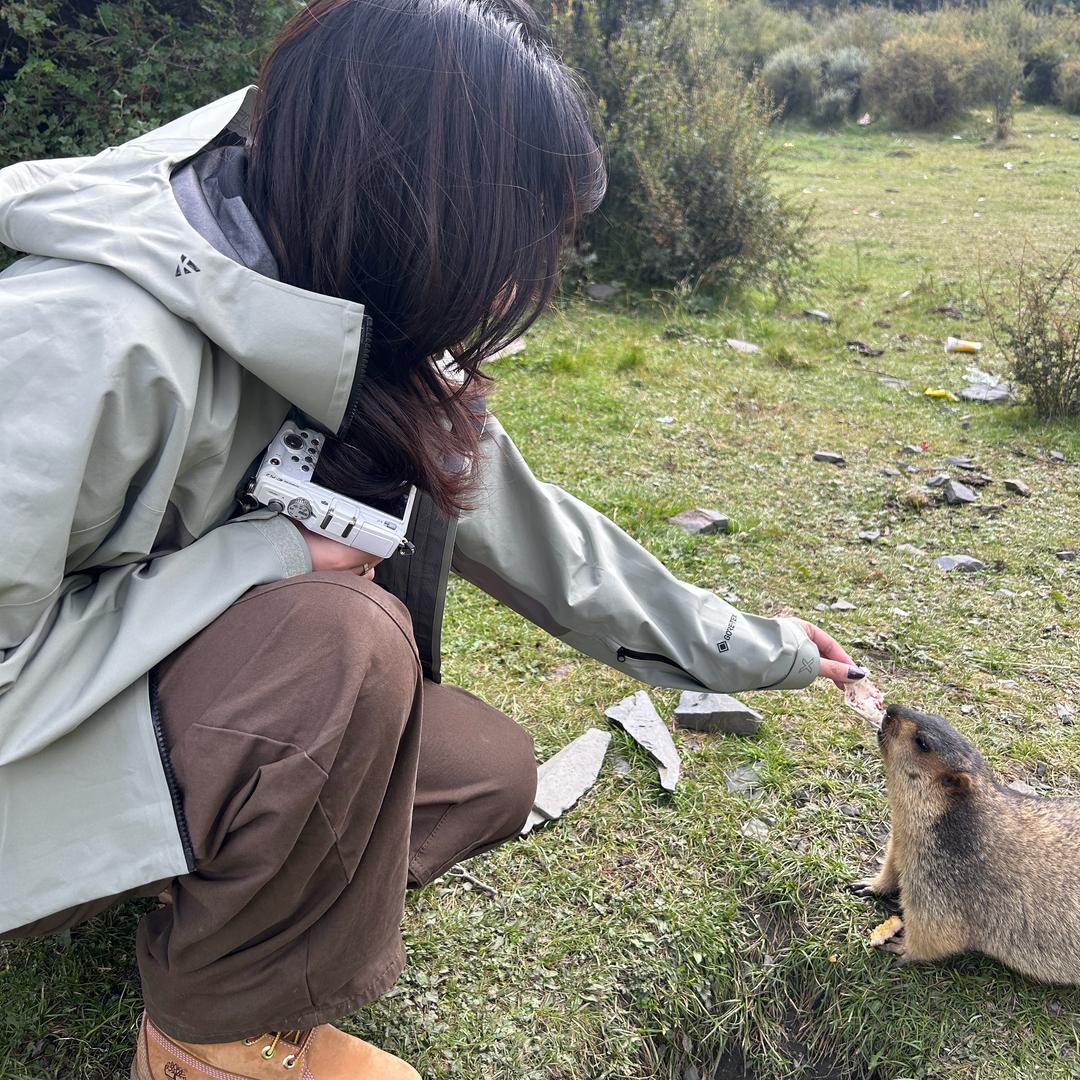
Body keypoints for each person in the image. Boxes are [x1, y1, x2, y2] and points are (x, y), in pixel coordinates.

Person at [0, 1, 865, 1077]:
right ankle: (205, 1043)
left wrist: (770, 647)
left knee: (479, 769)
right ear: (416, 205)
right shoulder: (74, 336)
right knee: (343, 641)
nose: (512, 289)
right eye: (512, 247)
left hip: (134, 740)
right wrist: (264, 562)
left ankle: (204, 907)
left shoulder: (360, 316)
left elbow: (558, 553)